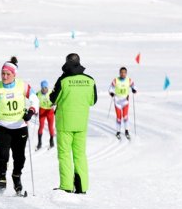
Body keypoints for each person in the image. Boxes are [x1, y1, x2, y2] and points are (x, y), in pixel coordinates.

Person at [0, 57, 38, 194]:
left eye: (8, 74)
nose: (5, 76)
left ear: (14, 75)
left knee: (19, 158)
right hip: (3, 127)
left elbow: (34, 98)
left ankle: (16, 177)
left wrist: (31, 111)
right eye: (3, 73)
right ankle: (1, 182)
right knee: (2, 155)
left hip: (19, 126)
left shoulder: (22, 86)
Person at [51, 53, 97, 194]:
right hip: (81, 123)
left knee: (65, 154)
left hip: (65, 123)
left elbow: (53, 98)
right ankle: (82, 186)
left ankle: (67, 186)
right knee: (80, 154)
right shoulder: (90, 80)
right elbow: (93, 101)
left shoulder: (63, 80)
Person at [108, 67, 137, 140]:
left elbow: (134, 86)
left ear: (126, 73)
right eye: (121, 72)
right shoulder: (115, 80)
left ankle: (126, 131)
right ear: (119, 73)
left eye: (124, 72)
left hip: (125, 102)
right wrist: (111, 93)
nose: (123, 74)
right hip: (117, 101)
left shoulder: (129, 80)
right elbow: (110, 88)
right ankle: (118, 132)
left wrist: (134, 89)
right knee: (118, 117)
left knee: (125, 117)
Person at [35, 80, 55, 150]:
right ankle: (39, 143)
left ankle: (51, 141)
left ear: (47, 87)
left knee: (50, 127)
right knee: (41, 126)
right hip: (42, 110)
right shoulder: (38, 94)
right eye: (43, 88)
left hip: (50, 111)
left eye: (45, 87)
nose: (44, 89)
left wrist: (55, 103)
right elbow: (34, 102)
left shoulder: (51, 92)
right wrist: (35, 110)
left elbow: (57, 99)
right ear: (41, 88)